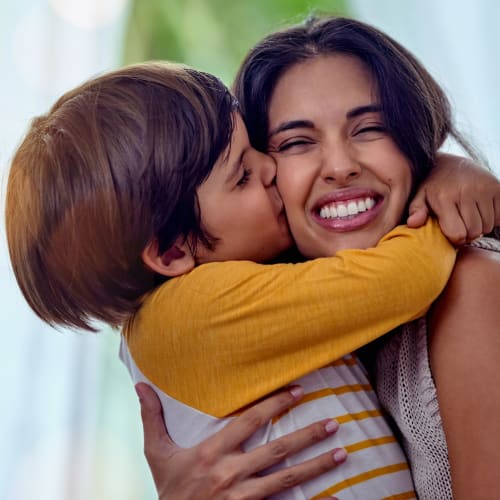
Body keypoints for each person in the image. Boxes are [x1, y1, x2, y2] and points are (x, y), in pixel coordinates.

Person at [5, 52, 497, 499]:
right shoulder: (193, 314)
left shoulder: (258, 293)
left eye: (370, 128)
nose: (270, 170)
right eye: (243, 174)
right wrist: (439, 188)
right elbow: (400, 281)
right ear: (173, 251)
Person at [136, 15, 500, 500]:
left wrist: (445, 175)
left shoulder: (469, 285)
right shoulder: (285, 331)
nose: (341, 166)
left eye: (371, 128)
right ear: (265, 173)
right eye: (296, 142)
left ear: (415, 139)